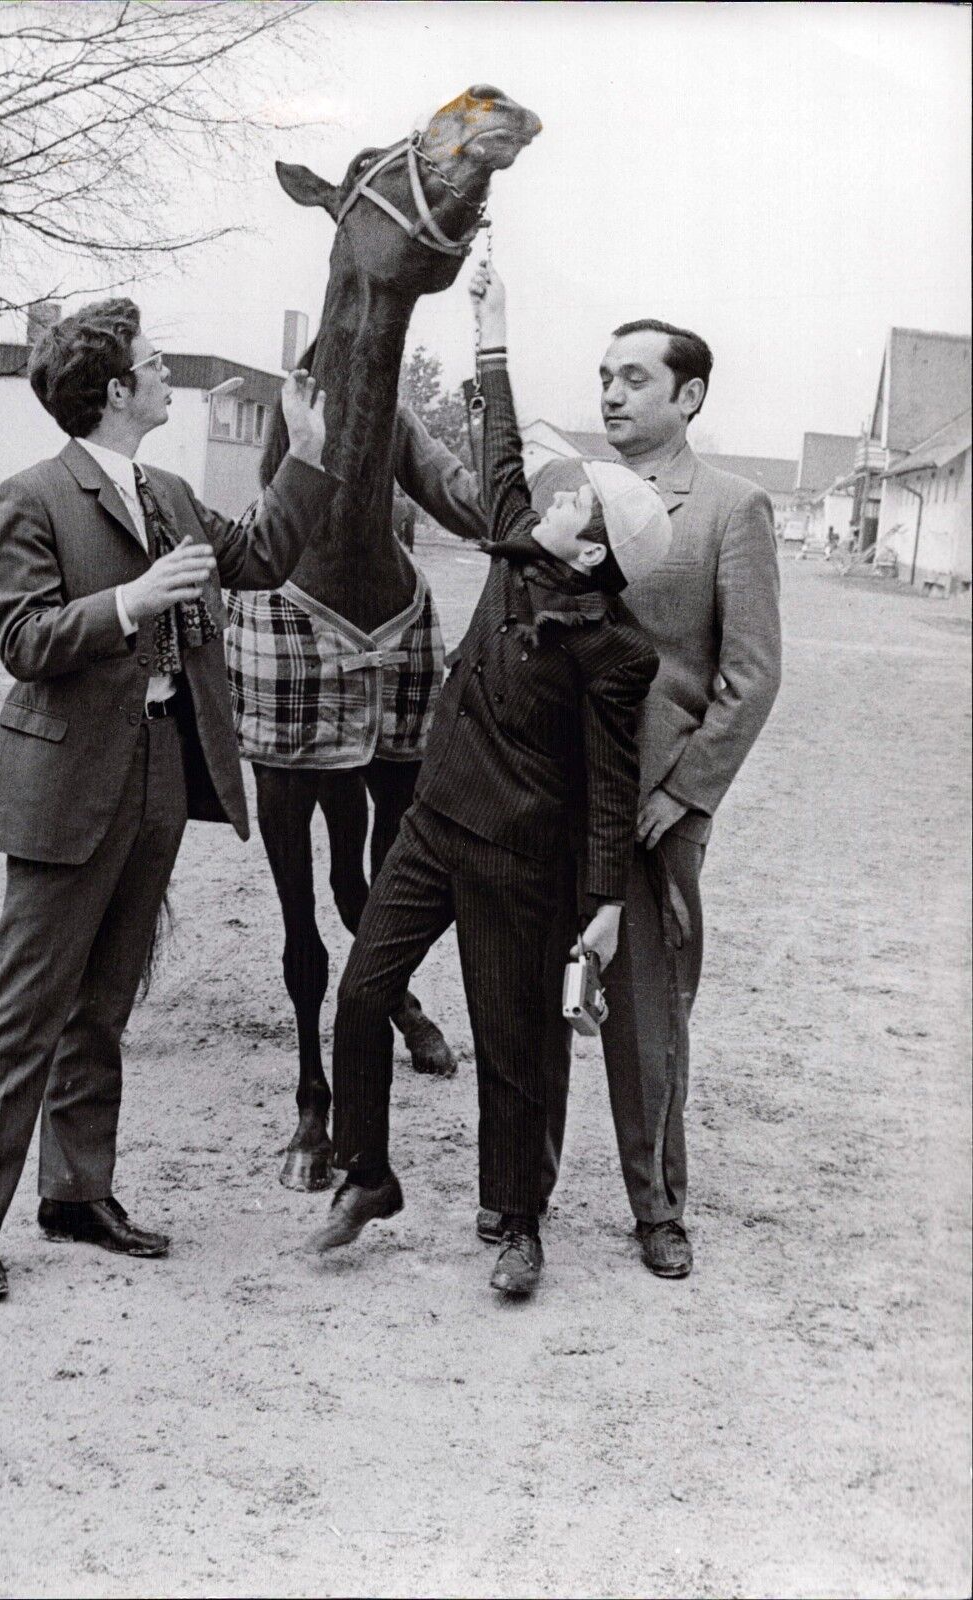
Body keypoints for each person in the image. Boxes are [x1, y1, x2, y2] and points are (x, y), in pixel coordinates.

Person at [0, 298, 334, 1300]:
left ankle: (76, 1193)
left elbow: (258, 560)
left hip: (162, 768)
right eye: (156, 365)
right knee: (25, 1006)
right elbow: (22, 642)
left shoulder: (165, 486)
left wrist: (308, 448)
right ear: (117, 390)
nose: (169, 377)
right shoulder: (31, 495)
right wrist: (133, 600)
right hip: (62, 780)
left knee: (106, 998)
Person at [306, 263, 671, 1298]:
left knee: (512, 1054)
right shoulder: (520, 550)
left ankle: (517, 1224)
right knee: (362, 991)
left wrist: (599, 905)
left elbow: (608, 791)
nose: (547, 498)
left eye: (571, 504)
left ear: (591, 548)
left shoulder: (615, 656)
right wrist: (490, 328)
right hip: (432, 827)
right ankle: (367, 1172)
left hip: (520, 861)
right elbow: (499, 444)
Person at [513, 317, 782, 1279]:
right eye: (603, 376)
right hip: (547, 791)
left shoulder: (731, 508)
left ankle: (657, 1207)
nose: (612, 394)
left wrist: (685, 792)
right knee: (533, 1002)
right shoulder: (576, 495)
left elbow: (749, 677)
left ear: (689, 396)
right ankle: (519, 1205)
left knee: (645, 1016)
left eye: (634, 377)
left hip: (650, 808)